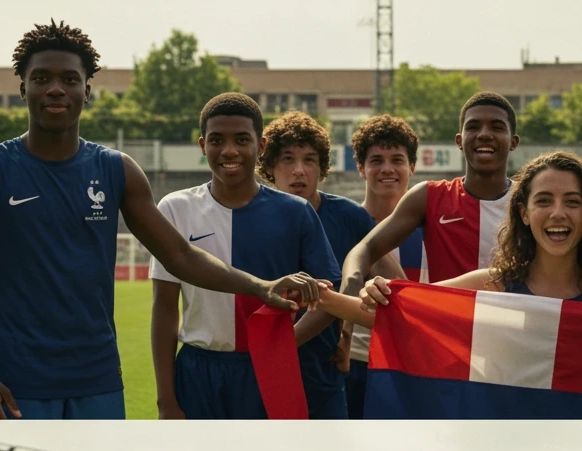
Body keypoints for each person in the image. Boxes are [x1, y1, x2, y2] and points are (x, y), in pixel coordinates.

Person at [0, 21, 322, 421]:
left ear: (87, 90)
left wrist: (260, 287)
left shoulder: (116, 170)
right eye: (42, 78)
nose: (56, 88)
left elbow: (179, 254)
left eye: (70, 79)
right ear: (23, 88)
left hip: (99, 378)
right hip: (16, 381)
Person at [323, 152, 582, 407]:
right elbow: (400, 316)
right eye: (544, 201)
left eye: (572, 202)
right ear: (524, 214)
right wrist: (318, 297)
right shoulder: (491, 286)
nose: (557, 213)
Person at [150, 93, 340, 421]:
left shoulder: (295, 211)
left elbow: (328, 293)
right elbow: (165, 307)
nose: (229, 150)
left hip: (269, 370)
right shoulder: (175, 208)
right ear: (202, 145)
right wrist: (166, 399)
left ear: (261, 145)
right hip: (198, 369)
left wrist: (282, 345)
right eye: (216, 140)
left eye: (241, 140)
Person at [341, 92, 521, 299]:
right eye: (473, 127)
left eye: (497, 127)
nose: (484, 134)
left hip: (512, 328)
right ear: (459, 141)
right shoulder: (429, 196)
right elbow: (366, 248)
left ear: (514, 142)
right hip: (446, 327)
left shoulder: (530, 201)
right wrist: (353, 280)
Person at [259, 111, 377, 419]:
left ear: (322, 167)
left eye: (309, 160)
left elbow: (381, 279)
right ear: (270, 165)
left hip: (324, 370)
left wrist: (347, 337)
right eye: (287, 159)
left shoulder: (350, 217)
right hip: (258, 367)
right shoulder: (251, 216)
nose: (299, 170)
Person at [343, 114, 423, 418]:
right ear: (361, 168)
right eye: (376, 160)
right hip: (359, 364)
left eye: (397, 160)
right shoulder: (343, 226)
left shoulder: (435, 230)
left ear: (412, 167)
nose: (387, 169)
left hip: (415, 364)